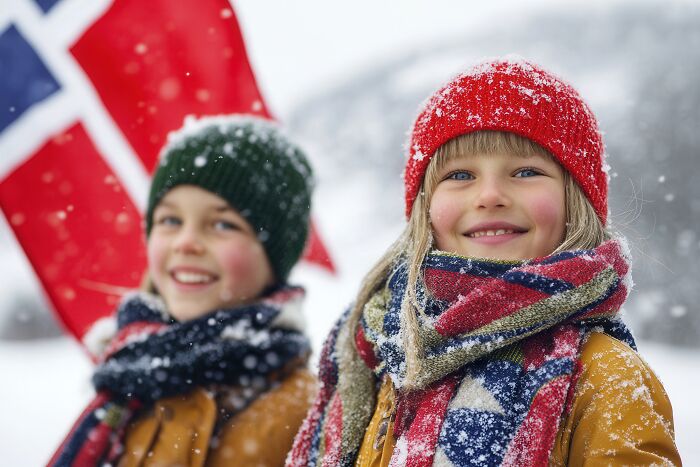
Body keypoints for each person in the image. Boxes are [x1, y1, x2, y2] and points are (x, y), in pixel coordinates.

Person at [287, 59, 681, 466]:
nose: (490, 195)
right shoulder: (379, 351)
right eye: (460, 175)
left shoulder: (604, 378)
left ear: (574, 201)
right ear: (424, 207)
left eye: (526, 171)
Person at [50, 115, 318, 466]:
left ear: (274, 254)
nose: (186, 242)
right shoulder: (125, 381)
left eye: (223, 224)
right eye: (171, 220)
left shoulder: (306, 414)